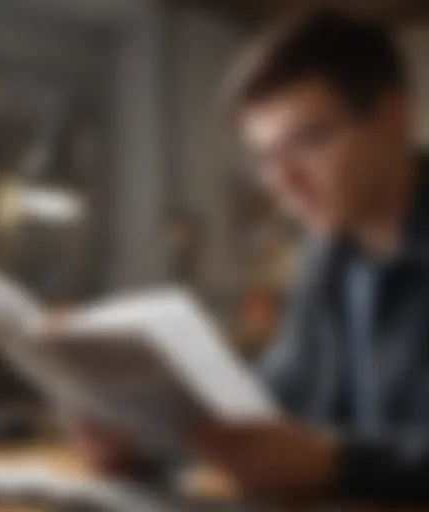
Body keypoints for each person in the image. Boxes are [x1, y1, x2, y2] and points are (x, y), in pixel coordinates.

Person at [75, 9, 429, 506]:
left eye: (310, 141)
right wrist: (151, 445)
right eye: (266, 156)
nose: (283, 182)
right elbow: (267, 406)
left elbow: (327, 456)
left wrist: (338, 461)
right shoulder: (325, 259)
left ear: (393, 117)